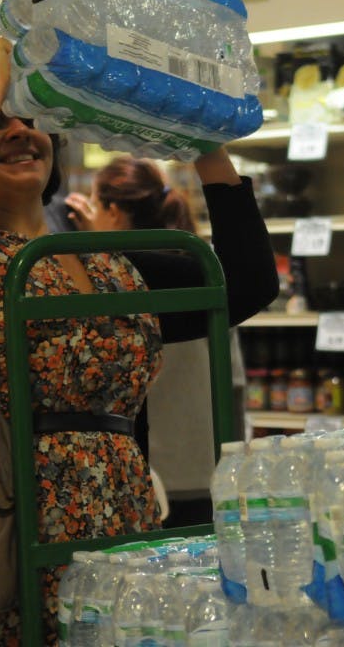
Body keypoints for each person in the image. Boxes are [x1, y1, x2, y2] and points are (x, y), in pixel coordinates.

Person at [0, 32, 277, 646]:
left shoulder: (111, 262)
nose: (16, 130)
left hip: (119, 534)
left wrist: (203, 145)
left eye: (29, 120)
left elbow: (244, 283)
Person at [65, 156, 249, 524]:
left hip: (145, 472)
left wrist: (91, 248)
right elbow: (236, 382)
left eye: (96, 204)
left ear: (114, 212)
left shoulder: (114, 285)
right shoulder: (202, 268)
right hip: (210, 468)